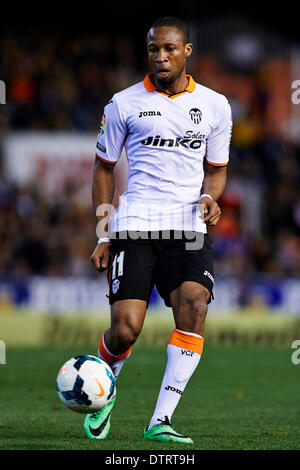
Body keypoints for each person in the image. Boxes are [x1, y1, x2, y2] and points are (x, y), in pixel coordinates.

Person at [83, 16, 232, 444]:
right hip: (136, 223)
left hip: (187, 225)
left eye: (169, 48)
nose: (160, 56)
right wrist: (103, 232)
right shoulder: (122, 103)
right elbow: (104, 167)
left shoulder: (216, 105)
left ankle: (160, 420)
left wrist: (210, 196)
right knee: (126, 329)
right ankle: (104, 391)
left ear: (187, 51)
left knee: (195, 305)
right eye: (153, 49)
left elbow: (217, 170)